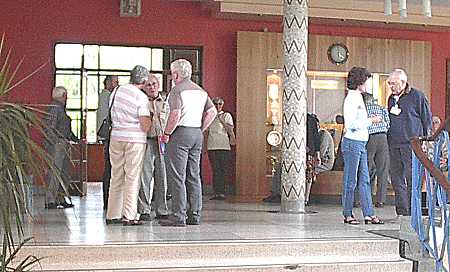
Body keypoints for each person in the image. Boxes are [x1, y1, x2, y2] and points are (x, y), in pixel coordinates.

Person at [159, 59, 217, 227]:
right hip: (196, 134)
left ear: (176, 74)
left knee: (177, 175)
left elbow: (175, 114)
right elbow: (212, 111)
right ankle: (195, 214)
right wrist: (201, 128)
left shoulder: (177, 90)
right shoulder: (201, 91)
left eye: (172, 74)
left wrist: (166, 133)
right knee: (194, 175)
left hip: (180, 134)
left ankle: (178, 215)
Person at [105, 65, 152, 226]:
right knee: (132, 176)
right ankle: (129, 215)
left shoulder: (116, 92)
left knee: (116, 174)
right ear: (144, 81)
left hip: (116, 137)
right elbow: (145, 124)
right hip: (135, 140)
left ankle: (112, 213)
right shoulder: (141, 97)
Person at [341, 67, 384, 225]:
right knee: (350, 180)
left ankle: (368, 213)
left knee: (365, 179)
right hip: (352, 143)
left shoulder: (358, 98)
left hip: (361, 143)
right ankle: (347, 213)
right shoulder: (351, 99)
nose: (367, 84)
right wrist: (371, 120)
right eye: (365, 80)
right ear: (359, 82)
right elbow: (351, 124)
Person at [387, 68, 432, 216]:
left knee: (412, 178)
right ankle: (402, 210)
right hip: (394, 143)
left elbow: (427, 119)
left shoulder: (417, 96)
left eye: (394, 83)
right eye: (390, 83)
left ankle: (414, 209)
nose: (391, 86)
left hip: (412, 144)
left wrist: (427, 141)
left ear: (403, 82)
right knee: (396, 178)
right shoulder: (391, 99)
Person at [137, 75, 169, 221]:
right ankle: (144, 209)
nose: (152, 87)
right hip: (147, 141)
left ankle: (162, 209)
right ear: (144, 87)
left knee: (162, 176)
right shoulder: (141, 102)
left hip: (162, 141)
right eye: (148, 85)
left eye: (154, 84)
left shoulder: (166, 102)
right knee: (145, 176)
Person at [43, 86, 79, 209]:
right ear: (62, 96)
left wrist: (75, 139)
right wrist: (56, 142)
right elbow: (49, 128)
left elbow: (65, 129)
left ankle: (60, 198)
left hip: (63, 143)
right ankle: (50, 199)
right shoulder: (55, 108)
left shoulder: (59, 108)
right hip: (57, 145)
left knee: (64, 173)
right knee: (55, 173)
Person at [362, 93, 390, 208]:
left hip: (369, 138)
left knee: (366, 169)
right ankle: (380, 200)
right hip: (383, 138)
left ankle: (363, 198)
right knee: (383, 170)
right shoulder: (381, 108)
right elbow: (388, 124)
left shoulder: (363, 109)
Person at [97, 75, 119, 210]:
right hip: (109, 138)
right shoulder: (107, 96)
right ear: (109, 83)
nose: (117, 84)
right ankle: (108, 200)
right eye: (116, 82)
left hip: (107, 138)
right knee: (109, 170)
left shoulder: (103, 96)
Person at [206, 97, 234, 200]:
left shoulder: (226, 115)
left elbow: (230, 130)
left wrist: (221, 120)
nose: (218, 106)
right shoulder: (210, 116)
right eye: (216, 103)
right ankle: (216, 192)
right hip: (212, 145)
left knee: (223, 170)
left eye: (220, 104)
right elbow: (206, 131)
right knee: (216, 170)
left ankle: (222, 192)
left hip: (224, 146)